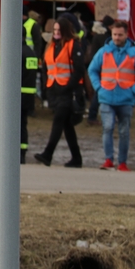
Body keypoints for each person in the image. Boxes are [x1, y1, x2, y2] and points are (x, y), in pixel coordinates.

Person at [88, 20, 135, 172]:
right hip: (106, 97)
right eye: (114, 34)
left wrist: (133, 90)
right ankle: (108, 159)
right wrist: (99, 88)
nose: (117, 38)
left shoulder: (134, 54)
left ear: (126, 35)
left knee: (124, 131)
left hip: (126, 98)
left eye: (120, 35)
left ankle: (122, 162)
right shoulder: (104, 52)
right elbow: (92, 70)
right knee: (108, 127)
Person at [34, 15, 87, 168]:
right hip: (54, 89)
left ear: (65, 30)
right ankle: (76, 158)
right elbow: (46, 67)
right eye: (54, 30)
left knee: (59, 120)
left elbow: (79, 70)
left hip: (68, 90)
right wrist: (46, 87)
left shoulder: (73, 45)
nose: (56, 32)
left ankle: (48, 153)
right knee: (66, 125)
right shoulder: (51, 46)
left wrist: (68, 86)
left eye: (59, 30)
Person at [20, 31, 40, 163]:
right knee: (23, 125)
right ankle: (22, 152)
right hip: (29, 95)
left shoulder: (17, 52)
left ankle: (17, 153)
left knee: (15, 126)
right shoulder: (31, 53)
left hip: (18, 95)